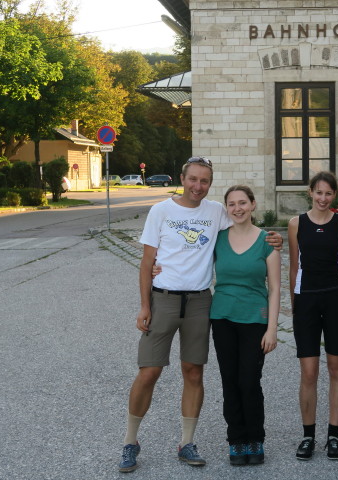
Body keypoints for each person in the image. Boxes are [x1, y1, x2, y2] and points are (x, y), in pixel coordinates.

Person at [118, 157, 282, 473]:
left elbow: (245, 227)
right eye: (193, 179)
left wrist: (273, 238)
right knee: (149, 371)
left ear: (210, 184)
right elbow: (146, 262)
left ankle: (187, 442)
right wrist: (144, 305)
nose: (198, 186)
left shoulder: (215, 213)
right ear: (183, 178)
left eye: (204, 181)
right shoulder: (161, 211)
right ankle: (130, 441)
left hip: (199, 303)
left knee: (193, 372)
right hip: (163, 299)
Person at [210, 185, 280, 466]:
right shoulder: (218, 239)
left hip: (255, 320)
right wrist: (158, 268)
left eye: (242, 203)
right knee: (230, 382)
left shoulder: (268, 241)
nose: (237, 208)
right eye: (231, 204)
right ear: (226, 208)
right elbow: (188, 261)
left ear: (253, 205)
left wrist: (272, 329)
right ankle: (236, 441)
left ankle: (255, 438)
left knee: (249, 381)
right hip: (222, 318)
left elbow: (274, 288)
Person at [288, 171, 338, 461]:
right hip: (307, 300)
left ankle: (334, 436)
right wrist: (294, 305)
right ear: (310, 193)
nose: (323, 198)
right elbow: (293, 267)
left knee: (337, 368)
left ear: (334, 195)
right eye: (319, 193)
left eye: (328, 193)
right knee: (309, 372)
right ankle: (308, 436)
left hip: (336, 297)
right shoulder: (295, 224)